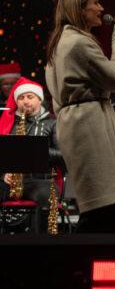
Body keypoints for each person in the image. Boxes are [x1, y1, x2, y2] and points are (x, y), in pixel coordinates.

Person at [45, 0, 115, 233]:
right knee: (107, 206)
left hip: (80, 123)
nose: (101, 8)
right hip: (90, 127)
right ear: (79, 9)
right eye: (95, 3)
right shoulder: (78, 43)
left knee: (104, 206)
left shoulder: (60, 40)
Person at [0, 78, 63, 232]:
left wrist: (37, 150)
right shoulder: (10, 124)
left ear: (39, 99)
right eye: (21, 98)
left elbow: (62, 155)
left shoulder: (52, 123)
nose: (25, 101)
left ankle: (40, 240)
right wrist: (4, 174)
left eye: (30, 97)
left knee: (46, 195)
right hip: (11, 182)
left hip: (40, 181)